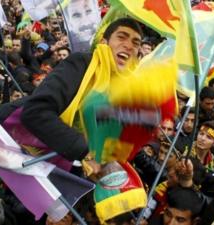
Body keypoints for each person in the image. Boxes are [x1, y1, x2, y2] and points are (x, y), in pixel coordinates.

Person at [20, 18, 143, 174]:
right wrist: (87, 151)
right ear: (104, 42)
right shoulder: (81, 63)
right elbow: (36, 112)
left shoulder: (128, 93)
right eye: (122, 37)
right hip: (27, 159)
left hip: (72, 176)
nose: (129, 45)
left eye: (136, 42)